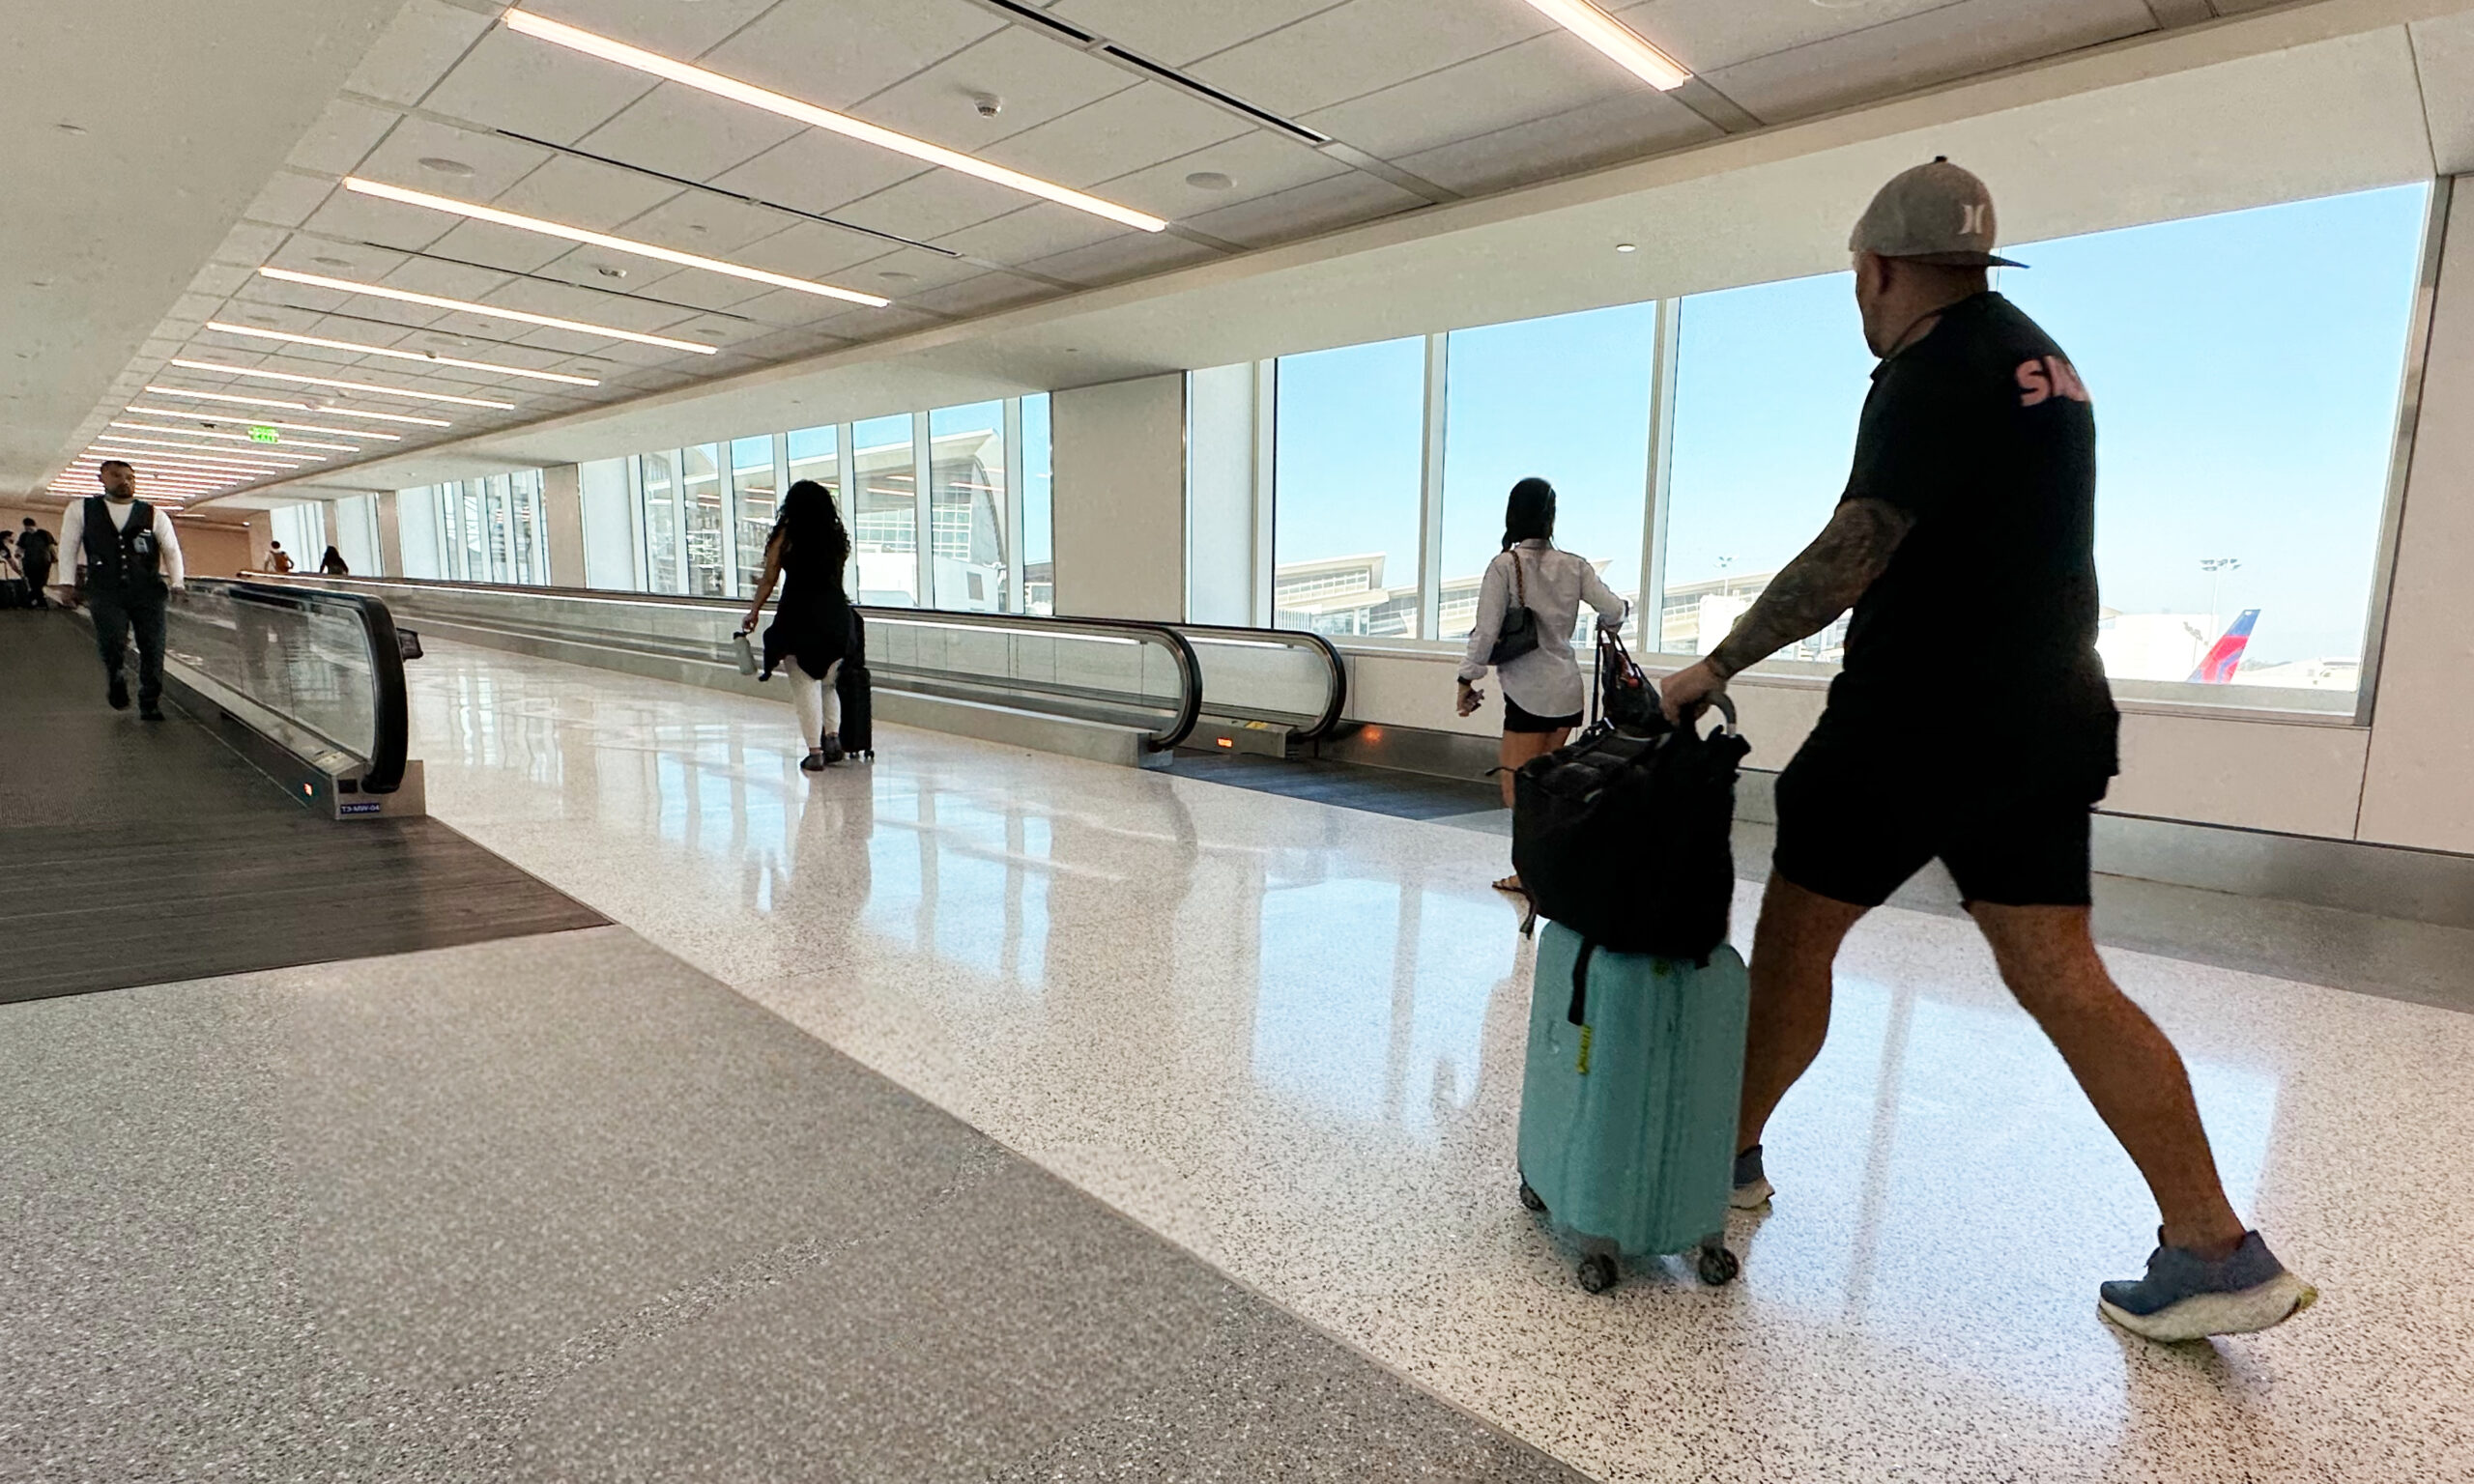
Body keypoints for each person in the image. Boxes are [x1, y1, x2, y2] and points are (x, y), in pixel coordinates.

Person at [1656, 159, 2315, 1342]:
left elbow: (1855, 546)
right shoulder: (2045, 363)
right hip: (2049, 712)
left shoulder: (1926, 369)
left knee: (1799, 935)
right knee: (2061, 973)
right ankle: (2214, 1246)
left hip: (1917, 715)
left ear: (1879, 268)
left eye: (1859, 281)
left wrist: (1716, 664)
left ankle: (1728, 1162)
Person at [1455, 476, 1627, 893]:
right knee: (1551, 786)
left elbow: (1486, 631)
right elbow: (1614, 610)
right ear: (1551, 517)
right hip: (1567, 692)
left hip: (1528, 694)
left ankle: (1531, 875)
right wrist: (1616, 618)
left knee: (1518, 790)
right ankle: (1554, 868)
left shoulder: (1503, 567)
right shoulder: (1575, 565)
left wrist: (1467, 678)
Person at [51, 460, 187, 720]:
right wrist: (67, 583)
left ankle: (150, 700)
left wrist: (178, 583)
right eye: (116, 475)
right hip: (105, 590)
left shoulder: (153, 514)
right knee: (112, 641)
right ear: (101, 478)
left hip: (148, 591)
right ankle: (116, 673)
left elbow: (171, 550)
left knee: (153, 647)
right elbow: (68, 547)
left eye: (130, 477)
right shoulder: (81, 509)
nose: (125, 481)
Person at [737, 479, 853, 773]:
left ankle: (815, 752)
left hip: (800, 616)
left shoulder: (787, 535)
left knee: (805, 685)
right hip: (838, 617)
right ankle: (833, 739)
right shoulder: (836, 536)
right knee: (828, 682)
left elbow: (769, 578)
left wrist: (754, 610)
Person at [17, 518, 57, 608]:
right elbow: (21, 548)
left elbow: (51, 547)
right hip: (29, 562)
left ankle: (34, 600)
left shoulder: (44, 534)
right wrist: (18, 554)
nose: (29, 531)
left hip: (43, 562)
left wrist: (54, 557)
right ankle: (39, 601)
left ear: (35, 526)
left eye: (30, 529)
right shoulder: (24, 535)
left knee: (42, 581)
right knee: (32, 582)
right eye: (27, 529)